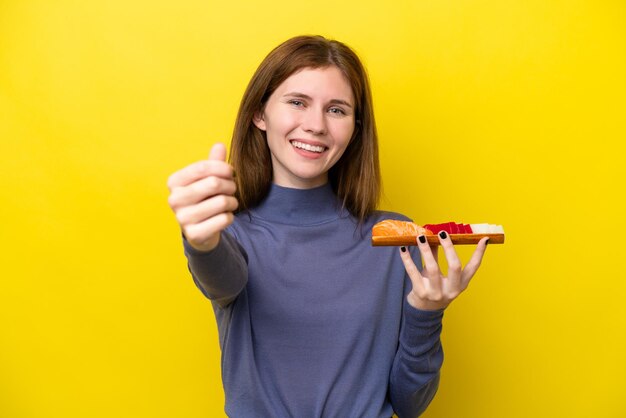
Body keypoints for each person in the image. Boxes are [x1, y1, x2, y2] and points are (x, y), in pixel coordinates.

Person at [167, 35, 489, 418]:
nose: (316, 125)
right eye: (297, 102)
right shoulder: (231, 236)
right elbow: (221, 277)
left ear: (355, 127)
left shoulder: (394, 240)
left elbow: (409, 403)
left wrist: (427, 311)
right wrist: (200, 240)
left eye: (336, 110)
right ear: (260, 113)